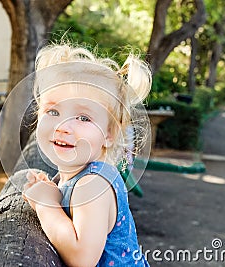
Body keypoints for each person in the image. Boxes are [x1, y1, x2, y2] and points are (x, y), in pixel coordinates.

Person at [23, 43, 151, 266]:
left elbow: (82, 258)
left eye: (83, 118)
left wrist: (45, 204)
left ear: (109, 135)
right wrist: (51, 191)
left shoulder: (92, 184)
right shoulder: (77, 177)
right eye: (53, 111)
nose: (63, 126)